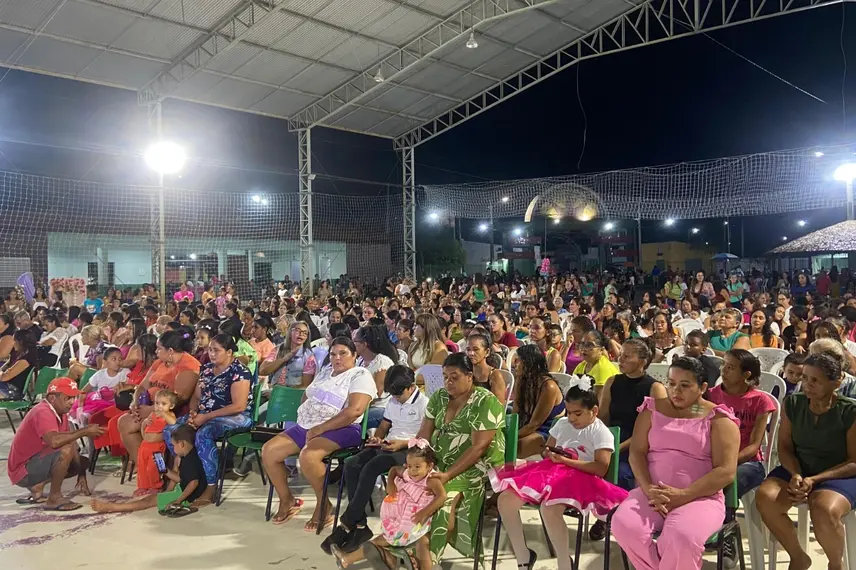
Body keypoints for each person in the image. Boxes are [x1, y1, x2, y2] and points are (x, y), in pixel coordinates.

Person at [611, 357, 740, 570]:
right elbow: (637, 453)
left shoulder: (719, 419)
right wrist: (649, 489)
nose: (675, 391)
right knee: (624, 525)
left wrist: (683, 495)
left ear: (702, 387)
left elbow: (726, 472)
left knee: (681, 536)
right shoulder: (651, 409)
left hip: (700, 498)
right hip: (651, 493)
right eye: (671, 383)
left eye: (685, 385)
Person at [492, 382, 628, 570]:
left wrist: (566, 461)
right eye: (569, 412)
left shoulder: (600, 431)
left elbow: (600, 468)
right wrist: (550, 454)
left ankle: (565, 563)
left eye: (577, 413)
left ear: (594, 411)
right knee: (506, 500)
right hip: (550, 472)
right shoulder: (563, 424)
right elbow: (547, 449)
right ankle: (523, 556)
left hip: (581, 478)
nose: (571, 418)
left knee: (549, 509)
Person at [387, 352, 505, 566]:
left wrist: (448, 474)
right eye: (445, 377)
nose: (448, 382)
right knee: (408, 490)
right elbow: (423, 435)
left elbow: (479, 448)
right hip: (438, 461)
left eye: (455, 377)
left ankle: (425, 557)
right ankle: (408, 546)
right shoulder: (439, 397)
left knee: (440, 504)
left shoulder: (485, 401)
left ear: (470, 376)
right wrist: (416, 464)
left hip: (473, 466)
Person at [261, 336, 376, 530]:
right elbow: (308, 394)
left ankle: (324, 505)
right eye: (333, 354)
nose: (337, 358)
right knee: (269, 451)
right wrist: (310, 416)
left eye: (343, 353)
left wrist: (321, 428)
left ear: (354, 355)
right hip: (308, 425)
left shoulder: (360, 375)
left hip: (343, 428)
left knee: (309, 456)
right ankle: (287, 500)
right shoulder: (325, 371)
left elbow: (354, 411)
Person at [756, 354, 856, 570]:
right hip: (799, 468)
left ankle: (835, 564)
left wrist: (815, 479)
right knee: (766, 498)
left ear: (836, 382)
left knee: (824, 508)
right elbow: (784, 448)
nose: (807, 385)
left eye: (815, 381)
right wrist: (796, 474)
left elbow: (854, 461)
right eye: (805, 378)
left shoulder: (849, 411)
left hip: (839, 473)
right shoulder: (793, 403)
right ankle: (798, 557)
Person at [323, 365, 430, 555]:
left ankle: (349, 520)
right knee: (352, 463)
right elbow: (384, 425)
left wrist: (402, 444)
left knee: (372, 467)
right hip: (389, 444)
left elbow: (424, 439)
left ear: (411, 387)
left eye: (399, 395)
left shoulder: (424, 404)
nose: (396, 398)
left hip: (410, 450)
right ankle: (360, 524)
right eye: (393, 395)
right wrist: (377, 438)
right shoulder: (393, 401)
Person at [162, 333, 254, 499]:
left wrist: (205, 417)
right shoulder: (207, 370)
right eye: (210, 350)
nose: (211, 354)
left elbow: (239, 405)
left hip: (235, 416)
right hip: (206, 415)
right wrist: (193, 413)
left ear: (229, 352)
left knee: (204, 433)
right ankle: (190, 475)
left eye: (216, 350)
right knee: (171, 430)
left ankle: (210, 488)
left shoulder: (239, 371)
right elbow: (196, 398)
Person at [330, 441, 447, 570]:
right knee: (386, 538)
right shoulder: (408, 472)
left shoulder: (431, 480)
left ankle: (351, 558)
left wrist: (424, 512)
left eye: (417, 467)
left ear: (430, 466)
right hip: (401, 515)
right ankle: (347, 559)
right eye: (409, 466)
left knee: (421, 544)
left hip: (416, 519)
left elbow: (442, 496)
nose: (412, 471)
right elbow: (394, 470)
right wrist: (390, 482)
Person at [7, 377, 105, 510]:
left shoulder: (61, 412)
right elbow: (54, 442)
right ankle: (54, 498)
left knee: (81, 461)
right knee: (65, 449)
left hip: (34, 461)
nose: (72, 402)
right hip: (22, 471)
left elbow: (72, 443)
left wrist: (81, 474)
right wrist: (85, 431)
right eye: (67, 398)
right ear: (52, 398)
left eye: (73, 398)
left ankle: (38, 486)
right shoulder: (43, 411)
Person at [596, 338, 667, 496]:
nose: (620, 360)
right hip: (612, 438)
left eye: (627, 356)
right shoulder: (612, 381)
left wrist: (618, 447)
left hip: (638, 445)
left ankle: (617, 512)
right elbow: (603, 418)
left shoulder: (655, 388)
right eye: (620, 355)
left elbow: (655, 429)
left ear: (642, 361)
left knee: (621, 473)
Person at [119, 331, 201, 462]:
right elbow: (142, 386)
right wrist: (135, 402)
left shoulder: (189, 366)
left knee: (131, 424)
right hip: (150, 405)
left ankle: (153, 467)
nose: (156, 351)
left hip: (170, 411)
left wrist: (151, 410)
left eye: (159, 348)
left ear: (170, 350)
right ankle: (142, 465)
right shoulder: (160, 362)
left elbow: (179, 399)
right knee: (123, 422)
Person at [706, 349, 776, 500]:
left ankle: (726, 521)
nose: (723, 370)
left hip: (748, 463)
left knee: (727, 480)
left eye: (730, 367)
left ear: (746, 374)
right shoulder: (710, 396)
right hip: (713, 460)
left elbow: (753, 446)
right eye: (723, 365)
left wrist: (727, 462)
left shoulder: (760, 401)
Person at [511, 344, 564, 458]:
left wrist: (511, 436)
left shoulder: (548, 387)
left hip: (549, 429)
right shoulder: (521, 380)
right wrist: (508, 432)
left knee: (517, 446)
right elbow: (515, 414)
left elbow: (535, 424)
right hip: (527, 425)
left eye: (518, 361)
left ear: (529, 363)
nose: (515, 365)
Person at [354, 325, 399, 429]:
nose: (353, 344)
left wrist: (356, 403)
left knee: (348, 419)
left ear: (364, 344)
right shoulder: (360, 360)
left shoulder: (382, 362)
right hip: (361, 405)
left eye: (355, 341)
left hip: (380, 408)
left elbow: (377, 393)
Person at [162, 424, 208, 516]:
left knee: (148, 500)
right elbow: (183, 478)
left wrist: (178, 501)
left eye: (173, 445)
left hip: (188, 496)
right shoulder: (189, 455)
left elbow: (193, 482)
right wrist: (165, 470)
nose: (173, 449)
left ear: (181, 444)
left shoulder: (189, 461)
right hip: (184, 490)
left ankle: (124, 507)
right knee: (152, 498)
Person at [73, 346, 128, 420]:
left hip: (116, 404)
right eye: (114, 359)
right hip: (98, 402)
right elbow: (83, 391)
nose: (118, 362)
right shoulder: (100, 374)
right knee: (87, 415)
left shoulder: (125, 373)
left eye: (120, 359)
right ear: (105, 362)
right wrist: (80, 406)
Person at [261, 320, 317, 388]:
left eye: (305, 333)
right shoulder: (278, 349)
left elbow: (305, 386)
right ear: (290, 332)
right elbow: (262, 371)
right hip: (273, 389)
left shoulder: (309, 357)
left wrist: (281, 393)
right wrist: (282, 360)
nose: (301, 334)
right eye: (297, 330)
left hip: (291, 394)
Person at [572, 330, 619, 398]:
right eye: (582, 344)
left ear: (601, 350)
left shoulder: (603, 368)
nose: (584, 349)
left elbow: (598, 401)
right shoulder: (581, 366)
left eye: (589, 345)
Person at [466, 332, 508, 405]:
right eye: (468, 349)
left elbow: (498, 407)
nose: (471, 353)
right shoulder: (466, 372)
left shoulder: (495, 375)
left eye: (476, 349)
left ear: (487, 352)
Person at [0, 329, 38, 400]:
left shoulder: (25, 360)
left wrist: (2, 372)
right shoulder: (19, 355)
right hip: (7, 387)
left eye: (15, 340)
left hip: (12, 392)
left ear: (22, 342)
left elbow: (4, 377)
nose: (13, 343)